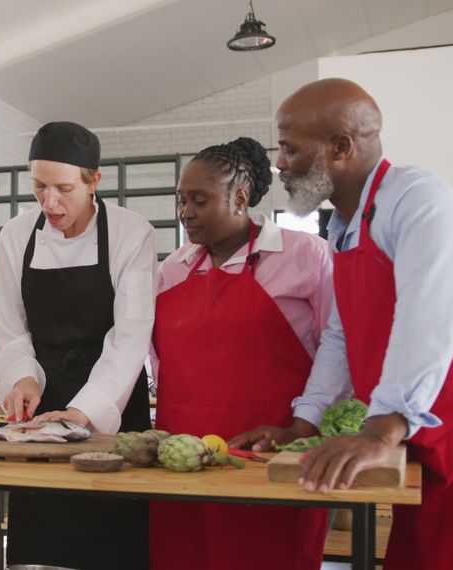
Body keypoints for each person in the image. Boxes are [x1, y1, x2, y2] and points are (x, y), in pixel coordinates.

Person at [233, 78, 453, 570]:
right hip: (432, 447)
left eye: (289, 148)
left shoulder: (418, 199)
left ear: (340, 147)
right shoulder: (345, 227)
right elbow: (342, 338)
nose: (279, 163)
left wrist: (382, 428)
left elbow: (426, 315)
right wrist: (305, 421)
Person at [149, 137, 333, 569]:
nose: (185, 213)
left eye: (199, 200)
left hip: (271, 458)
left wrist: (311, 425)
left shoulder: (305, 255)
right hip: (184, 462)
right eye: (181, 201)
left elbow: (336, 352)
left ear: (240, 198)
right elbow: (159, 361)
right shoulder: (171, 269)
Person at [0, 121, 157, 569]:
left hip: (113, 408)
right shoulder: (15, 236)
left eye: (63, 188)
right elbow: (9, 328)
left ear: (94, 181)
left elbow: (130, 337)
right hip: (41, 406)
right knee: (42, 540)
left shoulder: (130, 232)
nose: (50, 202)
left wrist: (83, 414)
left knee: (113, 539)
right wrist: (22, 376)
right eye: (39, 187)